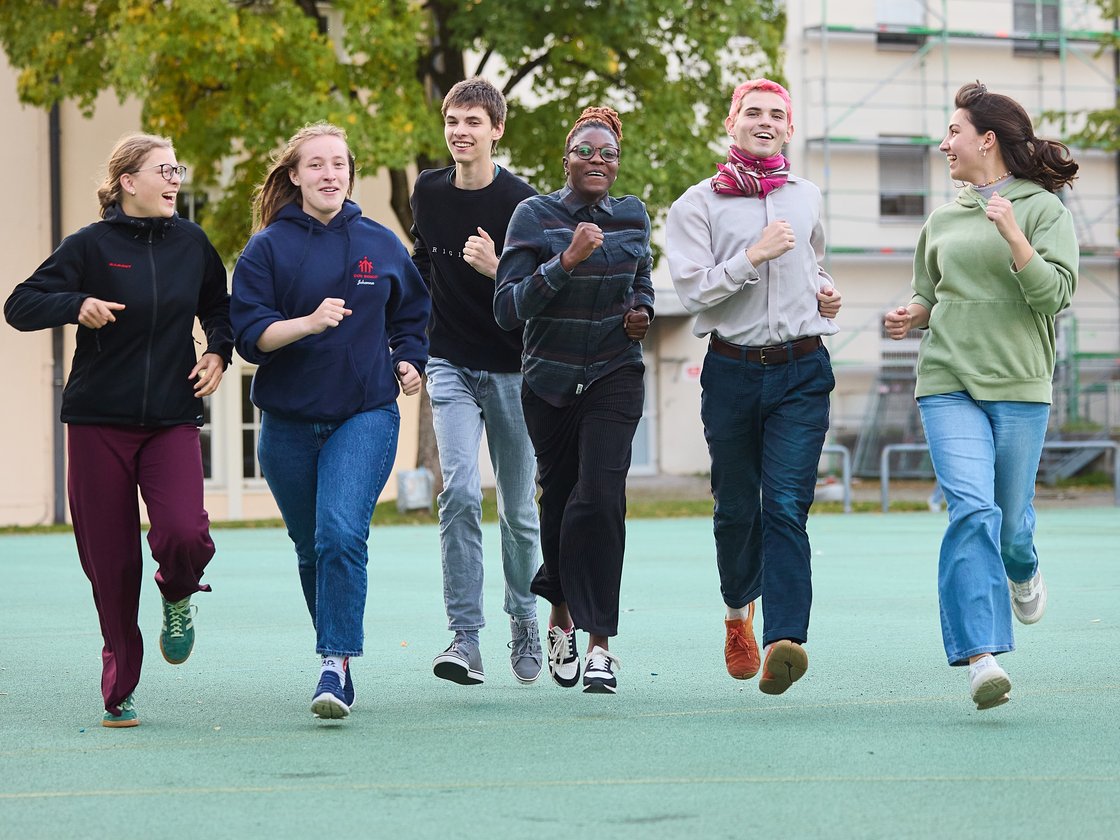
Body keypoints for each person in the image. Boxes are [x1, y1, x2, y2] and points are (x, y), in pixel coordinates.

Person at [4, 133, 232, 728]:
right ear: (129, 182)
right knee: (111, 564)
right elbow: (21, 304)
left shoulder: (192, 242)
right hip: (97, 420)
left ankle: (178, 591)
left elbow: (220, 306)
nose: (175, 178)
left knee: (184, 533)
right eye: (164, 169)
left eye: (177, 167)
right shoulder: (90, 245)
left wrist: (219, 353)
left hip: (170, 418)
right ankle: (120, 686)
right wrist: (75, 303)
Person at [884, 81, 1078, 710]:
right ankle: (981, 656)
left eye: (953, 133)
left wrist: (1016, 237)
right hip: (947, 382)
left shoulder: (1044, 210)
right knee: (972, 510)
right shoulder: (943, 219)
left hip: (1020, 384)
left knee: (1012, 529)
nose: (944, 145)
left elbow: (1054, 297)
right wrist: (909, 315)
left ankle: (1023, 568)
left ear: (985, 140)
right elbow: (929, 293)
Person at [230, 123, 430, 720]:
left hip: (364, 414)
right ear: (295, 176)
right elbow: (250, 337)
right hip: (288, 423)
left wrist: (407, 359)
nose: (329, 174)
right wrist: (309, 323)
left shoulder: (380, 242)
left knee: (341, 532)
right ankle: (334, 650)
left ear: (350, 171)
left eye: (338, 164)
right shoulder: (266, 248)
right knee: (311, 546)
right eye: (315, 165)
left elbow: (413, 314)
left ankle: (335, 664)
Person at [666, 79, 841, 696]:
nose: (765, 122)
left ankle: (784, 641)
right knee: (737, 508)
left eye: (776, 115)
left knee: (787, 506)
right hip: (732, 372)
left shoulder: (808, 196)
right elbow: (691, 290)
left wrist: (825, 290)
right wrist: (753, 257)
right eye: (753, 112)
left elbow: (815, 260)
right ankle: (739, 613)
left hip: (802, 369)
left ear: (789, 130)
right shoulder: (697, 205)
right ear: (731, 123)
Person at [494, 106, 654, 694]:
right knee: (559, 502)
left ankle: (600, 646)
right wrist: (565, 262)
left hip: (615, 372)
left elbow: (642, 278)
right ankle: (558, 613)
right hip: (550, 383)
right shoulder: (532, 216)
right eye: (586, 151)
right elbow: (507, 307)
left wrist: (643, 313)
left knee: (601, 499)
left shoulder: (632, 215)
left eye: (607, 153)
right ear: (567, 160)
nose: (597, 160)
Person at [409, 78, 543, 686]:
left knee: (517, 512)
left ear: (496, 130)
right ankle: (465, 639)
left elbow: (542, 298)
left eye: (472, 122)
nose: (460, 132)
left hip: (516, 370)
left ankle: (523, 619)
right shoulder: (428, 192)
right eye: (452, 121)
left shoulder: (525, 206)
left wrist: (497, 271)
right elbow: (421, 267)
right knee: (459, 493)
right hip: (450, 362)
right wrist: (403, 343)